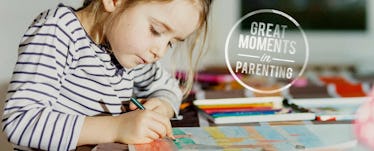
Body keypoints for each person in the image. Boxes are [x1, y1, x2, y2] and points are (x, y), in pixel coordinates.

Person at [1, 0, 211, 150]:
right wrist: (117, 127)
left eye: (171, 43)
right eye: (156, 30)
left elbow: (169, 87)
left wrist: (162, 104)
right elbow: (21, 122)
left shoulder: (125, 51)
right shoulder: (57, 31)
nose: (160, 51)